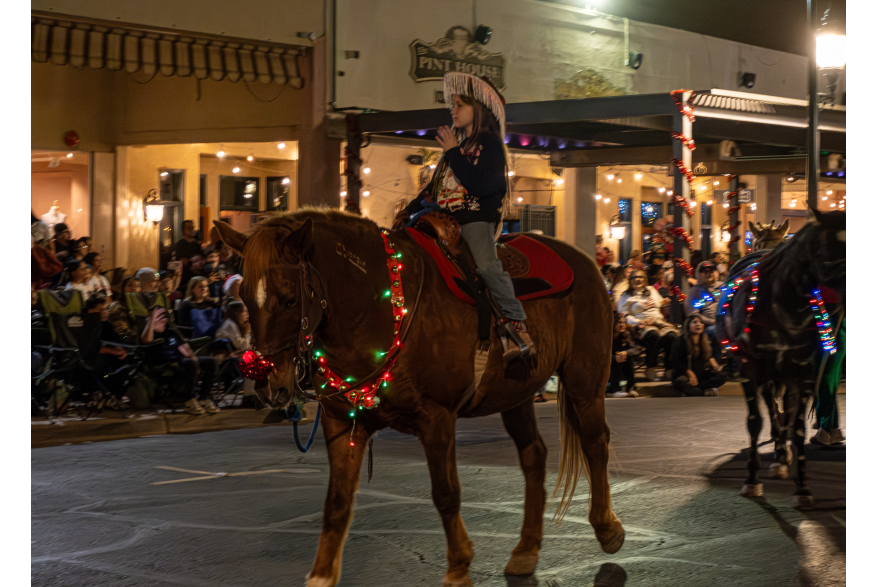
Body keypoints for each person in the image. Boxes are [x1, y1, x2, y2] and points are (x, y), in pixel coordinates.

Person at [394, 71, 533, 362]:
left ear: (477, 109)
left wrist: (453, 153)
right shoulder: (456, 149)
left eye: (459, 105)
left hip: (474, 221)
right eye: (453, 105)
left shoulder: (490, 146)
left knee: (485, 266)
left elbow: (482, 186)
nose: (452, 110)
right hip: (444, 221)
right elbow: (434, 187)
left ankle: (516, 322)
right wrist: (410, 209)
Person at [141, 304, 219, 415]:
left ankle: (203, 398)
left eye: (154, 316)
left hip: (177, 361)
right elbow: (146, 340)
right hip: (162, 364)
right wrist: (152, 320)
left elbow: (187, 352)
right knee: (189, 362)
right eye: (150, 317)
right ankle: (189, 399)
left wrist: (196, 362)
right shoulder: (148, 333)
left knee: (209, 361)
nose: (150, 319)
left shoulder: (171, 333)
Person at [617, 269, 678, 381]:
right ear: (630, 280)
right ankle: (650, 367)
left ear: (645, 279)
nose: (637, 279)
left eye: (640, 277)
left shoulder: (650, 290)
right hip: (640, 325)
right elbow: (623, 316)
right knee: (653, 334)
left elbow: (658, 303)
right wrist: (637, 322)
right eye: (634, 277)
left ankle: (669, 368)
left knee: (672, 335)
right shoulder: (626, 295)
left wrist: (664, 302)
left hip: (658, 321)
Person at [667, 315, 727, 396]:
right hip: (684, 374)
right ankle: (703, 391)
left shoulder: (705, 341)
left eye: (700, 322)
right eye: (694, 322)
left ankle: (695, 390)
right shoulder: (680, 341)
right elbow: (674, 361)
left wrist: (710, 358)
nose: (698, 324)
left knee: (722, 376)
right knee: (681, 381)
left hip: (699, 374)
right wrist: (688, 371)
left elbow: (706, 359)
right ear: (688, 325)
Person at [684, 261, 721, 343]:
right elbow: (693, 314)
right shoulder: (694, 291)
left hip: (725, 321)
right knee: (716, 331)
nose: (709, 274)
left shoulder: (721, 286)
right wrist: (711, 322)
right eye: (705, 272)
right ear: (699, 274)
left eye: (711, 271)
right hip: (707, 326)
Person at [608, 315, 642, 398]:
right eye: (619, 322)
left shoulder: (624, 335)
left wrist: (626, 353)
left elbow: (635, 349)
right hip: (607, 364)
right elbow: (600, 356)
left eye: (624, 322)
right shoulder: (607, 337)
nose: (622, 325)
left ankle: (630, 389)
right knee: (619, 359)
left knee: (626, 358)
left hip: (620, 363)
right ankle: (613, 390)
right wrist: (614, 358)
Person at [173, 220, 204, 285]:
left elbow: (203, 258)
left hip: (197, 278)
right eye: (189, 228)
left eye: (192, 228)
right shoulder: (179, 245)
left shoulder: (196, 245)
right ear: (183, 231)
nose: (192, 230)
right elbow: (178, 262)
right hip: (184, 279)